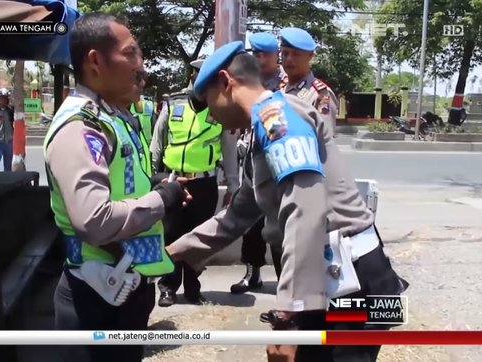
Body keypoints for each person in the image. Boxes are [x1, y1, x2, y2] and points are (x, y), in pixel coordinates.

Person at [166, 41, 408, 362]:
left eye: (209, 101)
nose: (210, 114)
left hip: (355, 279)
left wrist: (287, 317)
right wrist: (176, 251)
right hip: (330, 278)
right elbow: (239, 212)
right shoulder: (260, 128)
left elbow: (305, 210)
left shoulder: (278, 117)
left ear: (226, 83)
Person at [45, 13, 191, 362]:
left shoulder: (109, 117)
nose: (140, 65)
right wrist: (160, 199)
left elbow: (118, 182)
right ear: (95, 61)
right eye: (131, 54)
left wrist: (152, 185)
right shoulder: (81, 126)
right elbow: (94, 220)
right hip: (94, 298)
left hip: (119, 288)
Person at [149, 57, 240, 307]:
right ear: (192, 78)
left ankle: (193, 288)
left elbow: (230, 152)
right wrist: (153, 179)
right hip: (172, 181)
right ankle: (167, 287)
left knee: (199, 238)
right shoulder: (173, 104)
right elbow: (157, 145)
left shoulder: (220, 109)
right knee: (170, 233)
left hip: (205, 184)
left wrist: (233, 186)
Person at [230, 31, 288, 294]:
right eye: (256, 54)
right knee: (251, 226)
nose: (261, 59)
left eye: (266, 54)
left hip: (279, 166)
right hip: (252, 162)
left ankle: (284, 284)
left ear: (277, 56)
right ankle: (251, 274)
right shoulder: (248, 83)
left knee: (279, 229)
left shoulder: (286, 85)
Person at [280, 27, 340, 137]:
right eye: (285, 53)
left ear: (310, 56)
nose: (289, 59)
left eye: (296, 54)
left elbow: (325, 141)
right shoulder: (281, 90)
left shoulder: (320, 95)